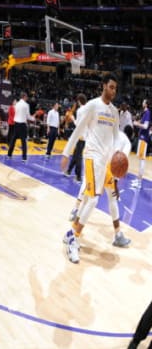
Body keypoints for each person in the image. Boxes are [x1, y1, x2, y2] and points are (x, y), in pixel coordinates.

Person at [61, 76, 130, 264]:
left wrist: (117, 163)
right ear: (104, 87)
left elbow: (116, 140)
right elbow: (78, 130)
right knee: (92, 200)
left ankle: (71, 233)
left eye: (115, 88)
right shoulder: (92, 106)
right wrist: (67, 153)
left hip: (105, 162)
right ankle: (73, 239)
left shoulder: (115, 112)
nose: (113, 91)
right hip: (91, 157)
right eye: (111, 87)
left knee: (93, 200)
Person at [65, 94, 88, 182]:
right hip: (86, 136)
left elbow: (78, 125)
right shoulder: (88, 109)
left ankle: (78, 176)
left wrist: (72, 118)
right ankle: (69, 171)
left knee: (78, 156)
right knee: (76, 154)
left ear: (79, 101)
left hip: (80, 135)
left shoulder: (80, 110)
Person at [6, 92, 33, 162]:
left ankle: (9, 154)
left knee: (13, 139)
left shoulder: (16, 104)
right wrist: (33, 118)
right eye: (26, 97)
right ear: (24, 97)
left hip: (16, 124)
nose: (27, 98)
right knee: (23, 141)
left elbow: (16, 113)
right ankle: (24, 158)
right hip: (22, 125)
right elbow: (28, 116)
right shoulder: (26, 105)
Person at [131, 99, 149, 189]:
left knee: (142, 160)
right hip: (142, 138)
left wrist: (136, 124)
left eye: (143, 102)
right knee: (140, 160)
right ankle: (138, 179)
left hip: (143, 139)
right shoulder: (145, 113)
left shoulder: (147, 113)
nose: (142, 103)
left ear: (146, 104)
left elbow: (145, 126)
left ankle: (139, 182)